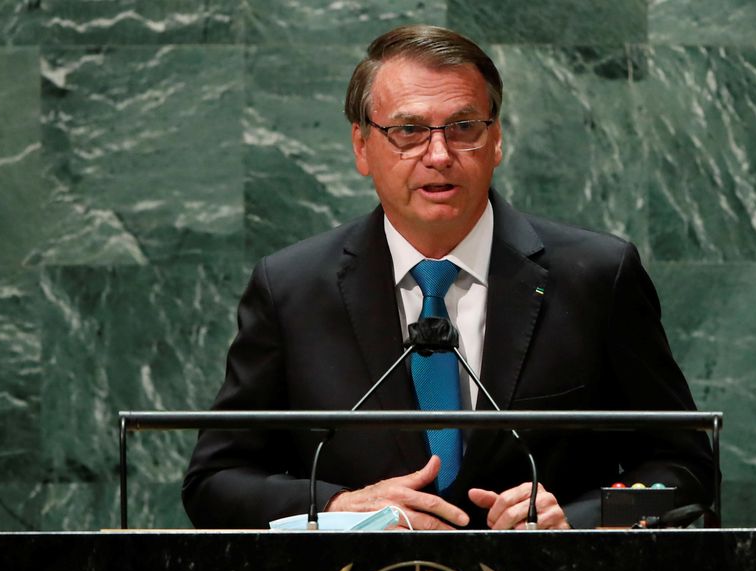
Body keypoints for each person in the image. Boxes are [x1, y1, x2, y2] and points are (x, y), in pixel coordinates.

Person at [183, 25, 714, 530]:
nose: (438, 155)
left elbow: (684, 468)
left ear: (497, 139)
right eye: (408, 131)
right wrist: (340, 506)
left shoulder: (596, 277)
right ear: (361, 147)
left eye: (463, 128)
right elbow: (216, 481)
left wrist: (575, 520)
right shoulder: (291, 290)